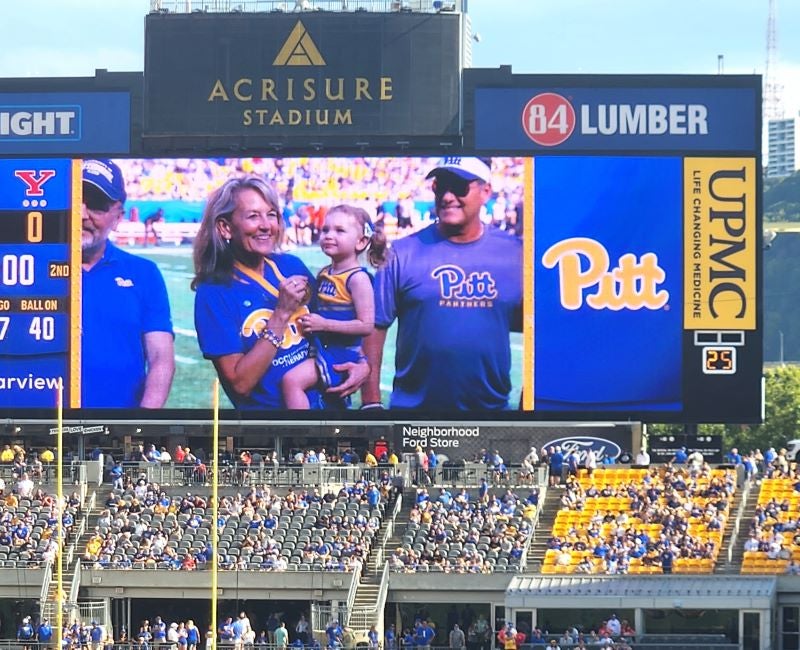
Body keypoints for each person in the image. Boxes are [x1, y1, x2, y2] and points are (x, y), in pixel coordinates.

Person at [192, 175, 369, 409]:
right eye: (253, 216)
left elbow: (336, 320)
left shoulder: (291, 265)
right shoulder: (213, 293)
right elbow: (240, 383)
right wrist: (281, 314)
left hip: (332, 412)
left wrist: (362, 363)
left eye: (272, 214)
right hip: (275, 429)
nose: (266, 225)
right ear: (225, 227)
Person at [362, 156, 522, 410]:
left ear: (485, 192)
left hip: (492, 414)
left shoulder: (516, 254)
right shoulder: (401, 252)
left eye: (459, 186)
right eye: (441, 186)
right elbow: (374, 326)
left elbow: (540, 331)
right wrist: (370, 402)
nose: (447, 196)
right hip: (412, 416)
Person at [81, 159, 175, 408]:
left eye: (96, 204)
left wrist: (142, 424)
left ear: (118, 215)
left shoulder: (144, 274)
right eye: (74, 199)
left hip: (121, 429)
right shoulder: (29, 270)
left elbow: (161, 357)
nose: (81, 214)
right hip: (40, 425)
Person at [281, 204, 388, 408]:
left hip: (342, 353)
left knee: (291, 381)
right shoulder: (325, 273)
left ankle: (299, 434)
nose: (329, 235)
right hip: (323, 347)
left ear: (361, 241)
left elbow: (366, 325)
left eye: (339, 231)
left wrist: (324, 325)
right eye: (325, 230)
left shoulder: (358, 279)